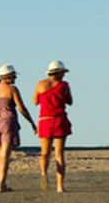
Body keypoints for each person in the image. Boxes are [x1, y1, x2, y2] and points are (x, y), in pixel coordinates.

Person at [0, 63, 38, 193]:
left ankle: (2, 182)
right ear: (5, 77)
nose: (15, 78)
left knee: (0, 153)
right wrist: (31, 122)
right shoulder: (12, 89)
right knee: (5, 154)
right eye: (13, 76)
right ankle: (2, 183)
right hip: (7, 121)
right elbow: (22, 108)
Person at [34, 60, 73, 192]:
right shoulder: (64, 85)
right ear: (59, 73)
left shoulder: (40, 84)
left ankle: (43, 173)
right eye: (63, 73)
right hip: (59, 120)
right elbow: (70, 101)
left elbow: (35, 101)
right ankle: (60, 186)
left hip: (45, 120)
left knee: (45, 153)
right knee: (59, 154)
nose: (64, 75)